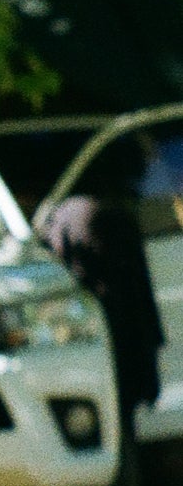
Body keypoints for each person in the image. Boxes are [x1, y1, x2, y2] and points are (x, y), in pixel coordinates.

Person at [40, 134, 167, 438]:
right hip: (117, 340)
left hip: (83, 342)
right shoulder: (106, 215)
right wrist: (148, 347)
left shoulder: (59, 214)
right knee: (120, 432)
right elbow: (133, 293)